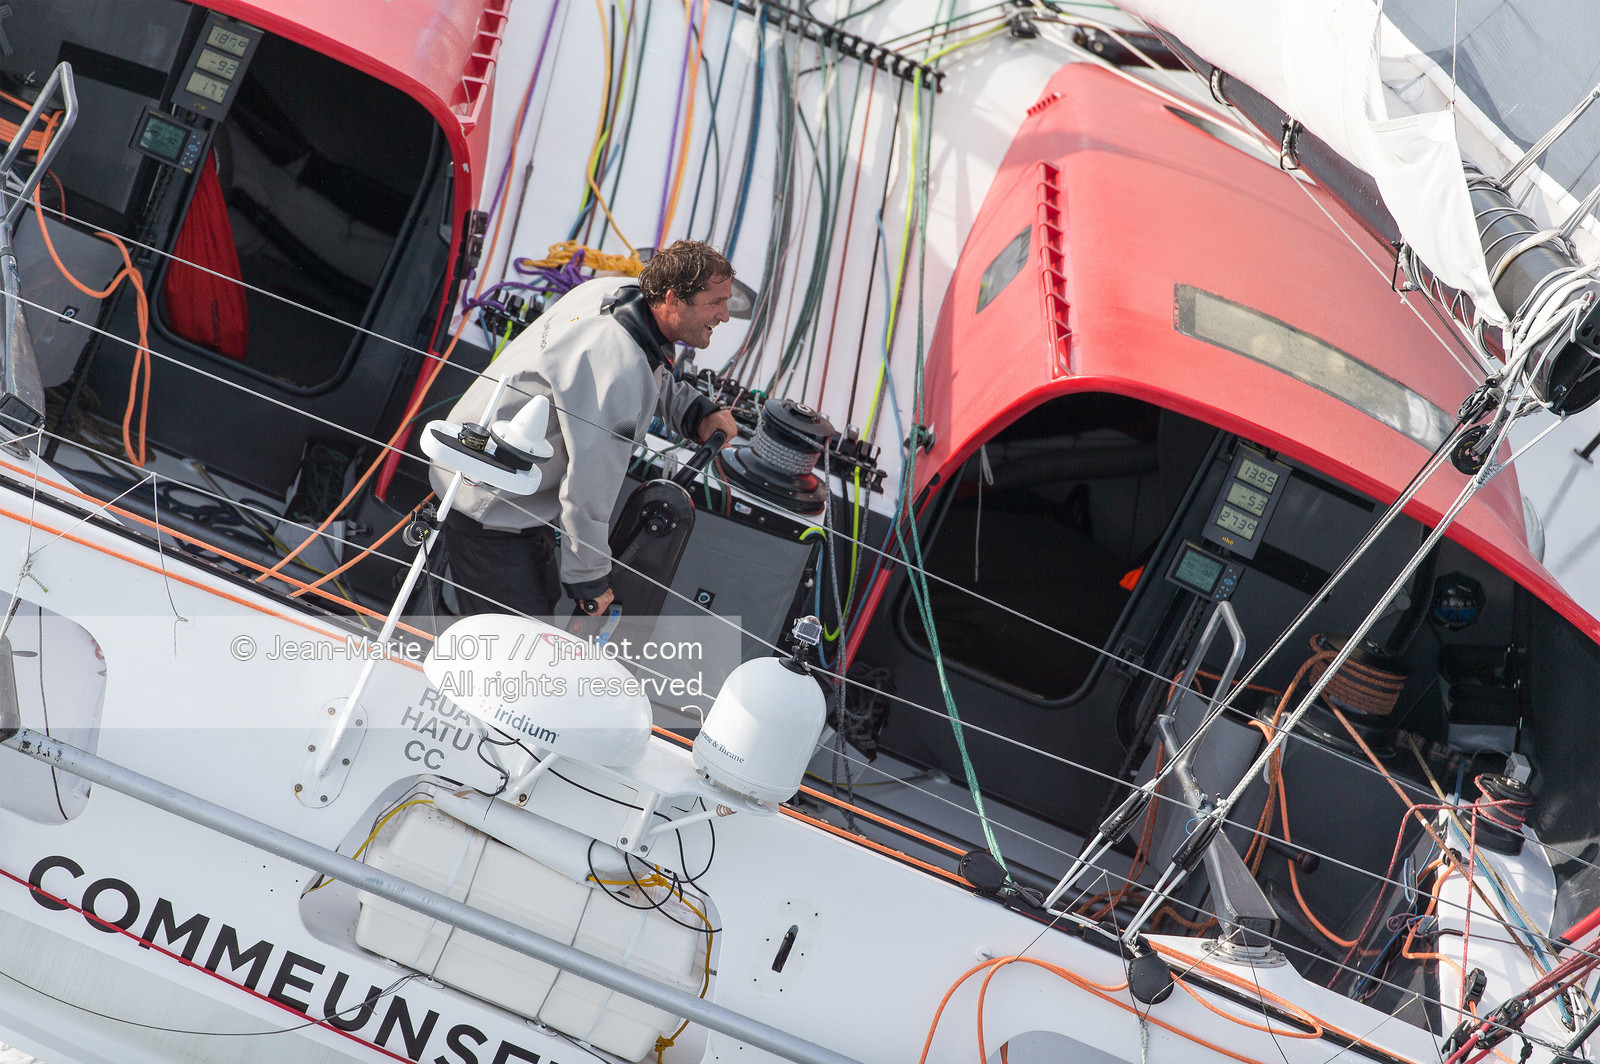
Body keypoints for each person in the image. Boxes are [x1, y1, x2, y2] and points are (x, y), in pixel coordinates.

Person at [431, 240, 739, 619]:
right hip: (490, 512)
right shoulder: (619, 373)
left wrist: (695, 411)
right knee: (521, 652)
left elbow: (649, 365)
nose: (724, 315)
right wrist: (591, 583)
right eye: (715, 303)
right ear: (673, 299)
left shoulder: (610, 292)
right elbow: (589, 488)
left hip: (480, 480)